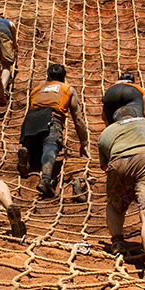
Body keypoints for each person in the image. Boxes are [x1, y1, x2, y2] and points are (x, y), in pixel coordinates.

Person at [98, 109, 145, 280]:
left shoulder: (107, 132)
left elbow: (105, 168)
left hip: (118, 162)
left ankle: (117, 242)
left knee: (114, 205)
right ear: (137, 116)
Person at [18, 63, 90, 198]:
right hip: (51, 118)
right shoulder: (67, 89)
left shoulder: (37, 88)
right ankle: (45, 180)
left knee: (36, 145)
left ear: (48, 75)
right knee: (50, 146)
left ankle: (26, 149)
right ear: (64, 77)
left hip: (30, 120)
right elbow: (78, 118)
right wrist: (84, 141)